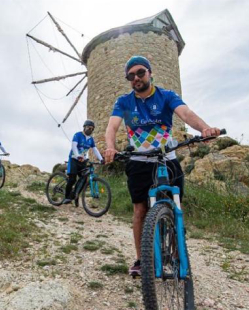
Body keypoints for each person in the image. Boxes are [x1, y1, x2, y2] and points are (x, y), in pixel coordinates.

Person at [103, 56, 221, 277]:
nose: (136, 78)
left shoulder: (166, 96)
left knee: (175, 206)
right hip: (139, 161)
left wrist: (204, 128)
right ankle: (141, 259)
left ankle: (176, 255)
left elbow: (185, 114)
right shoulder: (124, 102)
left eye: (140, 72)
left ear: (150, 73)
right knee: (140, 210)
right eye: (131, 76)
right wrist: (110, 147)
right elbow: (112, 127)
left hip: (167, 159)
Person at [61, 120, 104, 205]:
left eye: (92, 129)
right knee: (72, 179)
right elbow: (74, 146)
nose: (90, 130)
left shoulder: (91, 139)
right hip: (74, 159)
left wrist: (101, 159)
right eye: (89, 128)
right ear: (84, 127)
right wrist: (77, 156)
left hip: (82, 161)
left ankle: (75, 195)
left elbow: (95, 149)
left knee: (83, 180)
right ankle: (67, 197)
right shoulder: (77, 135)